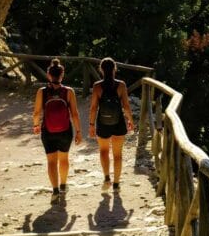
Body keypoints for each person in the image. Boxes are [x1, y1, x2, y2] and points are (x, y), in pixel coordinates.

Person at [32, 58, 82, 201]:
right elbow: (75, 114)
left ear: (48, 75)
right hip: (65, 131)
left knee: (51, 161)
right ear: (62, 75)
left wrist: (36, 125)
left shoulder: (42, 92)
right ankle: (63, 186)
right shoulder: (69, 91)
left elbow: (36, 113)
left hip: (48, 131)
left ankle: (55, 191)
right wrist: (78, 132)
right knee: (64, 159)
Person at [89, 57, 135, 192]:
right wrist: (131, 121)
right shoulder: (121, 85)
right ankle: (116, 184)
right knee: (118, 155)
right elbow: (126, 106)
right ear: (115, 69)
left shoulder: (97, 86)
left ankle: (107, 178)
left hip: (102, 123)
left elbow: (93, 108)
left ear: (101, 70)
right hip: (118, 122)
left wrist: (91, 125)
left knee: (103, 151)